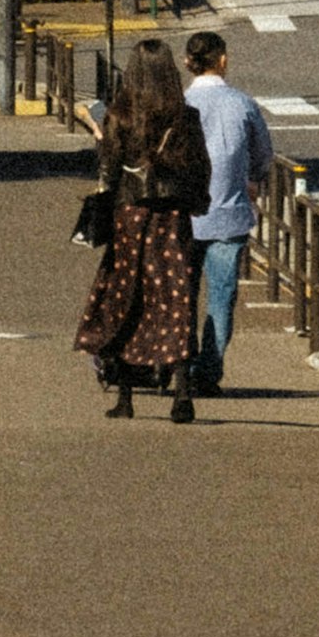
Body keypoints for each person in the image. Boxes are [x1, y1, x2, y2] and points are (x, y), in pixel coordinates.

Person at [74, 39, 210, 423]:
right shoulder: (185, 117)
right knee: (175, 299)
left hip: (129, 216)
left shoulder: (121, 115)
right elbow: (201, 168)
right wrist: (197, 203)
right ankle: (182, 393)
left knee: (127, 296)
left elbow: (110, 170)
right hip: (172, 218)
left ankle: (126, 396)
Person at [184, 28, 274, 397]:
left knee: (181, 295)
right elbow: (263, 155)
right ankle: (208, 372)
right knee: (221, 297)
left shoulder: (179, 103)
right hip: (230, 212)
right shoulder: (242, 103)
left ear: (188, 62)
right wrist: (253, 179)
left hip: (185, 215)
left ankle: (181, 367)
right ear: (221, 60)